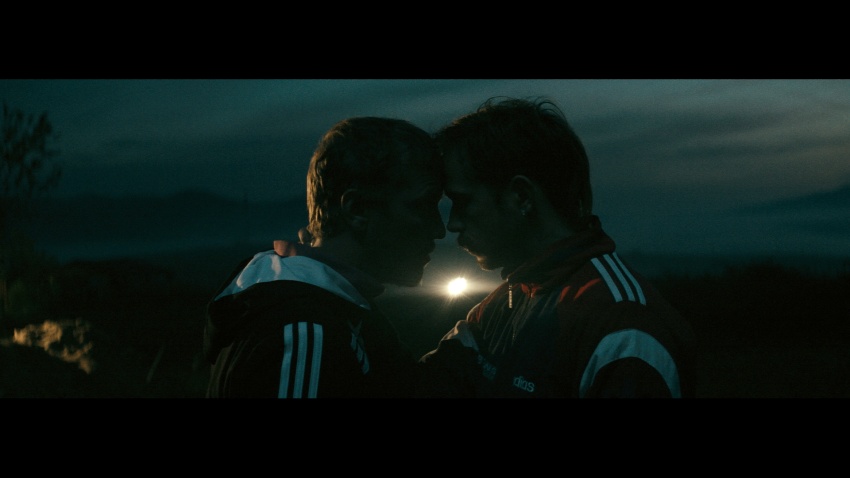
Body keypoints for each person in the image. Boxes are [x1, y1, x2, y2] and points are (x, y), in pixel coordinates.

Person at [416, 97, 697, 398]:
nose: (452, 224)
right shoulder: (505, 302)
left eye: (463, 201)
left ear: (522, 196)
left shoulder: (622, 326)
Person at [203, 116, 446, 398]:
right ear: (357, 210)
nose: (439, 229)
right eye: (423, 206)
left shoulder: (335, 307)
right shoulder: (304, 332)